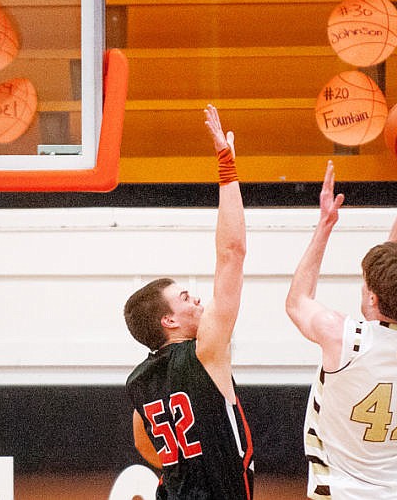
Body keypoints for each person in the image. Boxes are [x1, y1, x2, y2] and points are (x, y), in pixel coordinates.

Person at [285, 149, 397, 500]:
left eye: (366, 284)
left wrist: (324, 226)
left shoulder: (344, 340)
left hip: (341, 493)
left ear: (373, 298)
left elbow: (296, 300)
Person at [124, 104, 254, 499]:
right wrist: (226, 168)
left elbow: (143, 442)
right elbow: (231, 252)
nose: (196, 299)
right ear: (169, 321)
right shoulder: (205, 353)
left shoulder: (139, 383)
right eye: (184, 297)